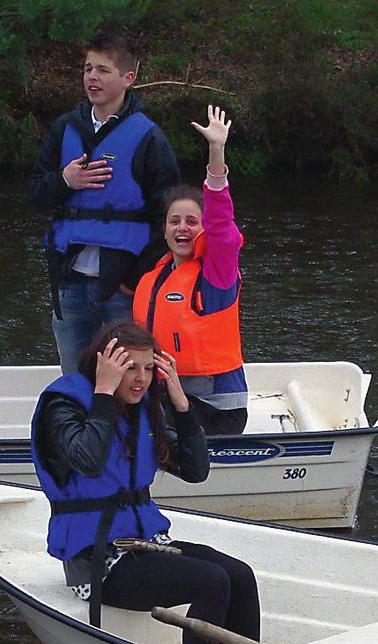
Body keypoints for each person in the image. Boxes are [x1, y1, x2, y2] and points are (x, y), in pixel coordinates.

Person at [31, 321, 260, 644]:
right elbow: (88, 461)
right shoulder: (64, 406)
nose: (141, 378)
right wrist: (104, 395)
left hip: (144, 542)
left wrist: (182, 406)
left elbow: (196, 472)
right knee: (211, 582)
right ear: (105, 366)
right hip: (97, 562)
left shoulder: (144, 408)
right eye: (130, 368)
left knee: (239, 575)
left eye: (149, 368)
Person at [29, 34, 180, 375]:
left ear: (128, 78)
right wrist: (65, 182)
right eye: (87, 69)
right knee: (75, 373)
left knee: (127, 378)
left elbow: (168, 216)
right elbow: (36, 195)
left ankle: (128, 429)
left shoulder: (150, 139)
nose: (92, 77)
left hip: (121, 288)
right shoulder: (64, 129)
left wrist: (137, 277)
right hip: (70, 282)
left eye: (102, 70)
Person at [133, 105, 247, 436]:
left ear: (203, 229)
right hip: (170, 394)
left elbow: (221, 222)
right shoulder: (155, 276)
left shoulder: (217, 271)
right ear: (165, 230)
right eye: (174, 221)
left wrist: (216, 151)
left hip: (214, 406)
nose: (182, 229)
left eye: (192, 222)